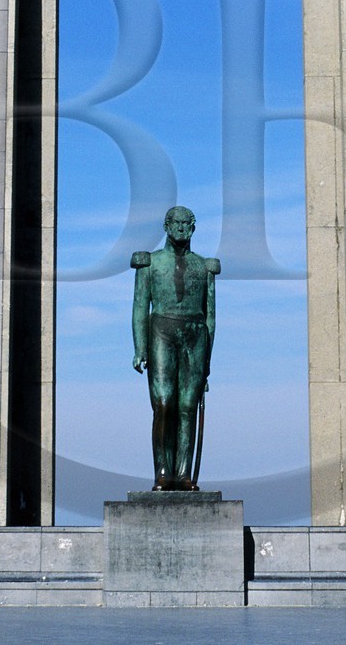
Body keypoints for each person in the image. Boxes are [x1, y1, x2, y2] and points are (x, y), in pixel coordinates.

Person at [130, 205, 218, 491]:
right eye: (175, 223)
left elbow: (210, 317)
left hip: (195, 334)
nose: (181, 228)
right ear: (166, 227)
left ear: (193, 228)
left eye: (186, 224)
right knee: (164, 404)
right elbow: (140, 307)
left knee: (187, 406)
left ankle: (183, 474)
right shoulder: (150, 263)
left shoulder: (204, 266)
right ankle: (162, 472)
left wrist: (207, 363)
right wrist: (140, 347)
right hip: (161, 331)